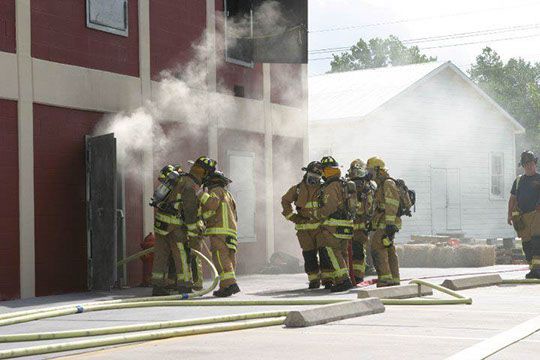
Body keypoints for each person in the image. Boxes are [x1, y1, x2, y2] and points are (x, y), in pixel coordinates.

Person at [282, 161, 329, 289]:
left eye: (317, 177)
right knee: (309, 255)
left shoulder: (325, 189)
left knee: (325, 253)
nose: (313, 179)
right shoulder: (297, 189)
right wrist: (293, 217)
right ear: (306, 173)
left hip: (321, 228)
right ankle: (313, 279)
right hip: (304, 230)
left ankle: (327, 279)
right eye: (312, 175)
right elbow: (285, 201)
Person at [312, 156, 355, 292]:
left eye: (324, 171)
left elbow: (330, 206)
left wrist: (317, 215)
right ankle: (342, 279)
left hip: (333, 225)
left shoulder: (331, 186)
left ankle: (344, 280)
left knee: (333, 252)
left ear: (328, 171)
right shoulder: (345, 184)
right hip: (347, 224)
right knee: (343, 253)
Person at [198, 170, 241, 297]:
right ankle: (225, 287)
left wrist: (201, 195)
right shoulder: (228, 194)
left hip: (219, 231)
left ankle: (231, 284)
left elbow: (212, 205)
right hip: (230, 232)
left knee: (220, 258)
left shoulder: (216, 191)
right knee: (229, 259)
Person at [366, 156, 401, 287]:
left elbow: (392, 204)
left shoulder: (387, 183)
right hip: (384, 221)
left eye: (370, 170)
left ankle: (385, 279)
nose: (369, 174)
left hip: (387, 222)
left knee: (377, 247)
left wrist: (390, 225)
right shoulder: (381, 184)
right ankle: (394, 278)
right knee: (389, 249)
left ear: (378, 170)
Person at [508, 150, 540, 279]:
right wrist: (509, 215)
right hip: (522, 217)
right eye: (526, 164)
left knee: (537, 241)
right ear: (523, 165)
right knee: (526, 244)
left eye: (531, 163)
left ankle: (538, 269)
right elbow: (512, 199)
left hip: (537, 215)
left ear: (535, 163)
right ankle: (533, 269)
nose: (529, 166)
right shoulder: (518, 181)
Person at [347, 159, 376, 284]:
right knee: (353, 251)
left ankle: (357, 275)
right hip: (353, 225)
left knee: (357, 250)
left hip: (359, 225)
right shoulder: (348, 185)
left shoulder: (369, 186)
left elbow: (372, 206)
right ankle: (354, 275)